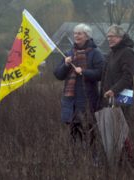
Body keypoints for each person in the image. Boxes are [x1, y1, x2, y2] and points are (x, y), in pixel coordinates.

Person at [53, 23, 104, 160]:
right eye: (75, 33)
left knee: (89, 130)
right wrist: (65, 65)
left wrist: (84, 72)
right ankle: (74, 159)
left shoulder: (95, 53)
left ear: (87, 36)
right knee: (73, 132)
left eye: (79, 34)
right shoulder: (69, 54)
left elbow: (101, 74)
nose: (76, 36)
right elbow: (58, 75)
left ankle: (93, 159)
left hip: (87, 100)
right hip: (70, 101)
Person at [100, 24, 134, 168]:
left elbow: (128, 76)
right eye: (108, 37)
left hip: (122, 96)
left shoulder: (127, 52)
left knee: (121, 132)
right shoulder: (111, 53)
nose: (109, 39)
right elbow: (105, 75)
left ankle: (132, 164)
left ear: (121, 37)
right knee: (111, 132)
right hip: (109, 96)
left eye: (112, 37)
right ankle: (117, 163)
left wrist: (114, 90)